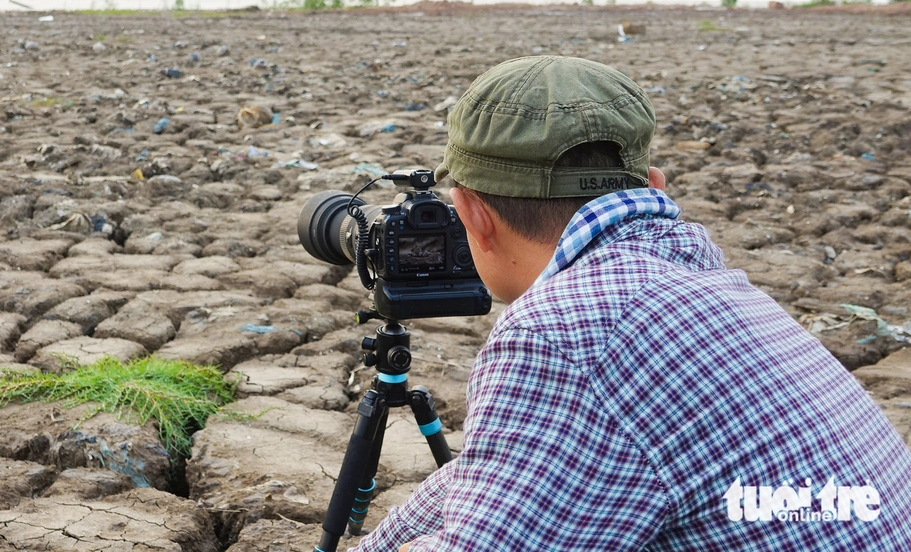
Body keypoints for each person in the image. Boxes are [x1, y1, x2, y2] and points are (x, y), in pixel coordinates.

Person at [352, 56, 911, 551]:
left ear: (470, 212)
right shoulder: (708, 280)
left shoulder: (565, 334)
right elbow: (497, 475)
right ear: (654, 186)